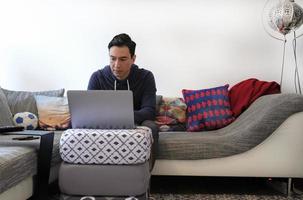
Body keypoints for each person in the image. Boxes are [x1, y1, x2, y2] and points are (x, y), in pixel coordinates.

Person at [88, 33, 158, 169]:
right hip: (103, 123)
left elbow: (149, 111)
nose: (116, 65)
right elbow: (89, 111)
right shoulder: (97, 77)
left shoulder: (146, 77)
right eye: (113, 59)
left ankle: (147, 175)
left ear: (133, 59)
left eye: (123, 59)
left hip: (136, 123)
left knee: (152, 126)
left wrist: (120, 116)